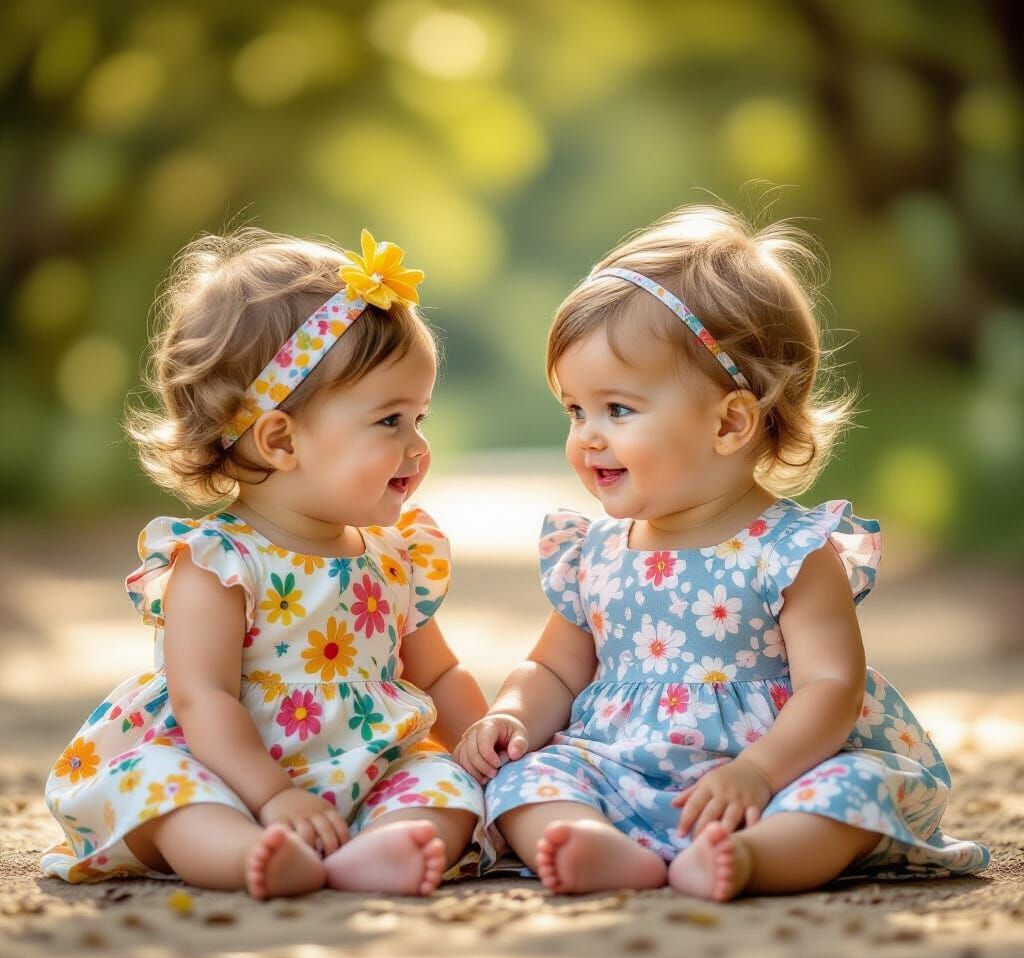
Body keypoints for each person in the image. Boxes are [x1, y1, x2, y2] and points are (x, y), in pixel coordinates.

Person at [456, 205, 989, 900]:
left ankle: (755, 856)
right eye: (574, 411)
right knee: (526, 782)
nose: (587, 436)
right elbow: (552, 668)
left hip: (774, 776)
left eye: (617, 409)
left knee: (850, 792)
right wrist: (512, 717)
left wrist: (761, 773)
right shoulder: (595, 553)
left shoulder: (791, 550)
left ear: (730, 420)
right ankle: (597, 844)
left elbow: (832, 686)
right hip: (624, 769)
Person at [43, 228, 491, 899]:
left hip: (363, 767)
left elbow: (440, 670)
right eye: (390, 421)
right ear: (281, 438)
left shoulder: (394, 559)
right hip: (225, 772)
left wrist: (483, 745)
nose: (417, 446)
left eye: (419, 417)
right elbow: (204, 697)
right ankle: (249, 852)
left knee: (447, 790)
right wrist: (273, 795)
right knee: (167, 795)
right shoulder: (220, 562)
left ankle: (383, 846)